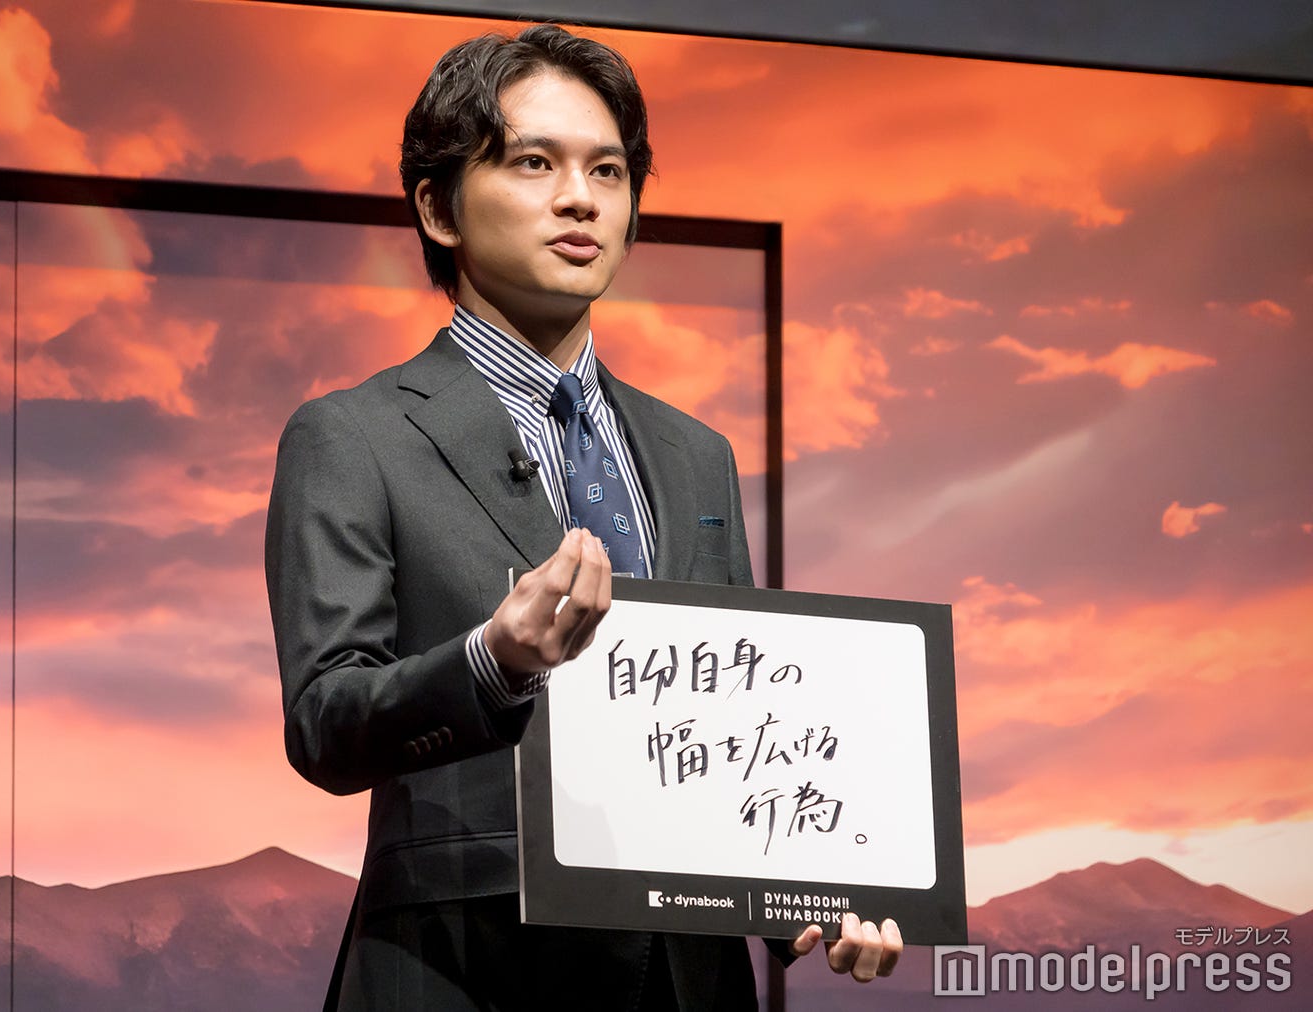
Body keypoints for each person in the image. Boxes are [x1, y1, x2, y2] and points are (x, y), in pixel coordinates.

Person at [265, 23, 901, 1010]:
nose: (580, 197)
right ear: (437, 207)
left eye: (607, 170)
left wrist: (813, 889)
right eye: (534, 163)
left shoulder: (695, 453)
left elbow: (727, 726)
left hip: (684, 980)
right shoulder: (352, 436)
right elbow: (325, 723)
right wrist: (490, 660)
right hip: (462, 966)